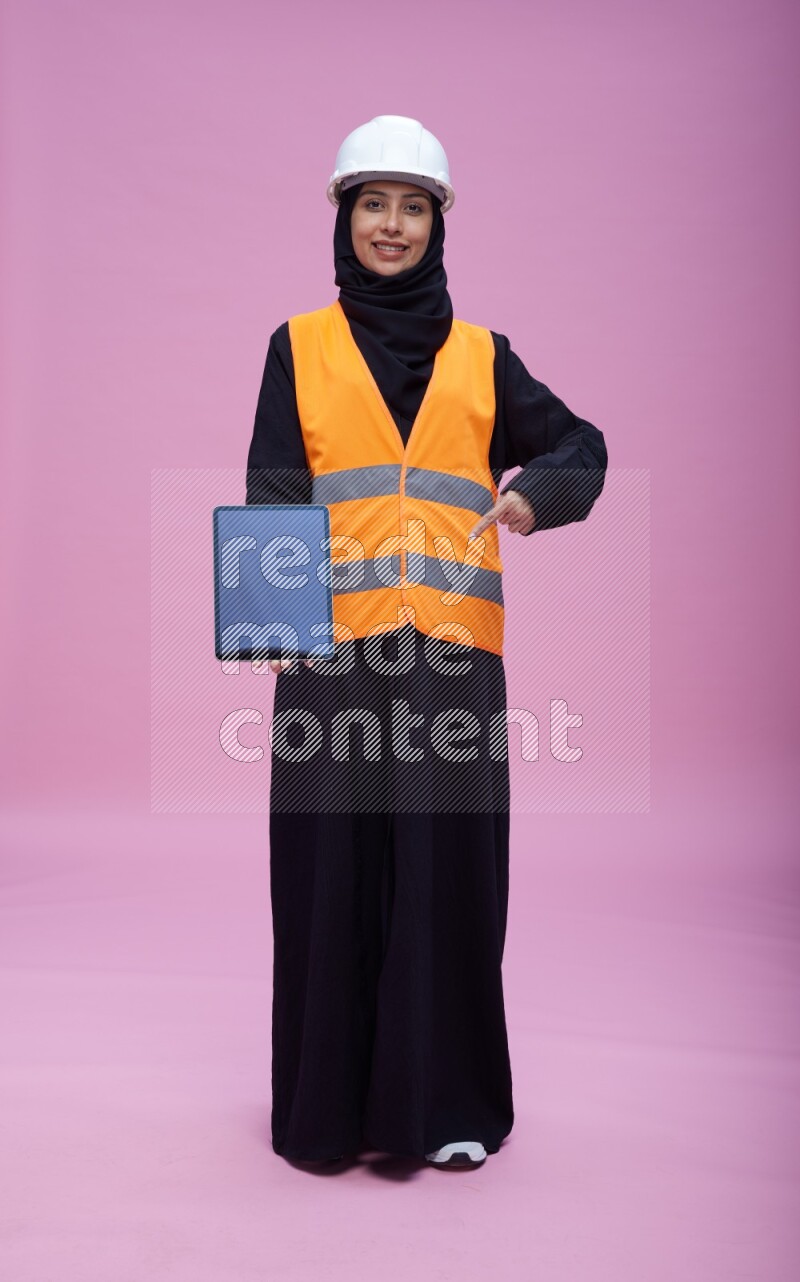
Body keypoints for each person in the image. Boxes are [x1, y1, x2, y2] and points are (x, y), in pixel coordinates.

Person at [245, 115, 607, 1169]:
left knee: (447, 879)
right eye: (373, 204)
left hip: (452, 660)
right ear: (343, 217)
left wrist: (536, 497)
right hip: (328, 661)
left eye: (412, 206)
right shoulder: (296, 347)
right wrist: (267, 624)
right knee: (328, 879)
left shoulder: (484, 358)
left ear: (436, 222)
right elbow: (273, 489)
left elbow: (580, 449)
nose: (390, 226)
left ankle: (442, 1110)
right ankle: (326, 1118)